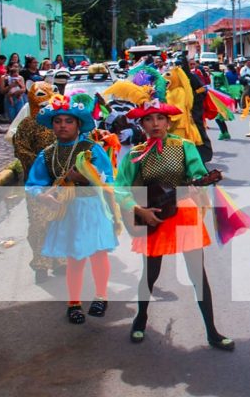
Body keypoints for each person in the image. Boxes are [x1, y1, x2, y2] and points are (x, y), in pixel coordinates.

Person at [114, 97, 234, 350]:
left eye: (160, 118)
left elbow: (197, 171)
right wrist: (139, 210)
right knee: (150, 273)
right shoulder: (135, 154)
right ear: (142, 125)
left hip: (183, 212)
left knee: (197, 275)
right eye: (148, 119)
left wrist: (199, 180)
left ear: (168, 122)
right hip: (152, 215)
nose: (155, 123)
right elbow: (120, 188)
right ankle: (141, 318)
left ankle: (212, 331)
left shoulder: (184, 146)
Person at [25, 93, 119, 323]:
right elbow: (33, 184)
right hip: (65, 211)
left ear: (78, 124)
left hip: (92, 208)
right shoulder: (47, 154)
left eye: (68, 121)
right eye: (58, 121)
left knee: (98, 254)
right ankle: (73, 303)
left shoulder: (91, 149)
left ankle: (101, 296)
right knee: (74, 257)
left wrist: (88, 180)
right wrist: (44, 195)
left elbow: (109, 179)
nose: (63, 126)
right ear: (52, 125)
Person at [12, 82, 59, 283]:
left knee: (60, 220)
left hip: (62, 182)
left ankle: (61, 260)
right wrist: (41, 163)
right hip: (37, 183)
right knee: (39, 223)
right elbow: (20, 149)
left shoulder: (61, 122)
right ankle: (41, 265)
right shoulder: (27, 125)